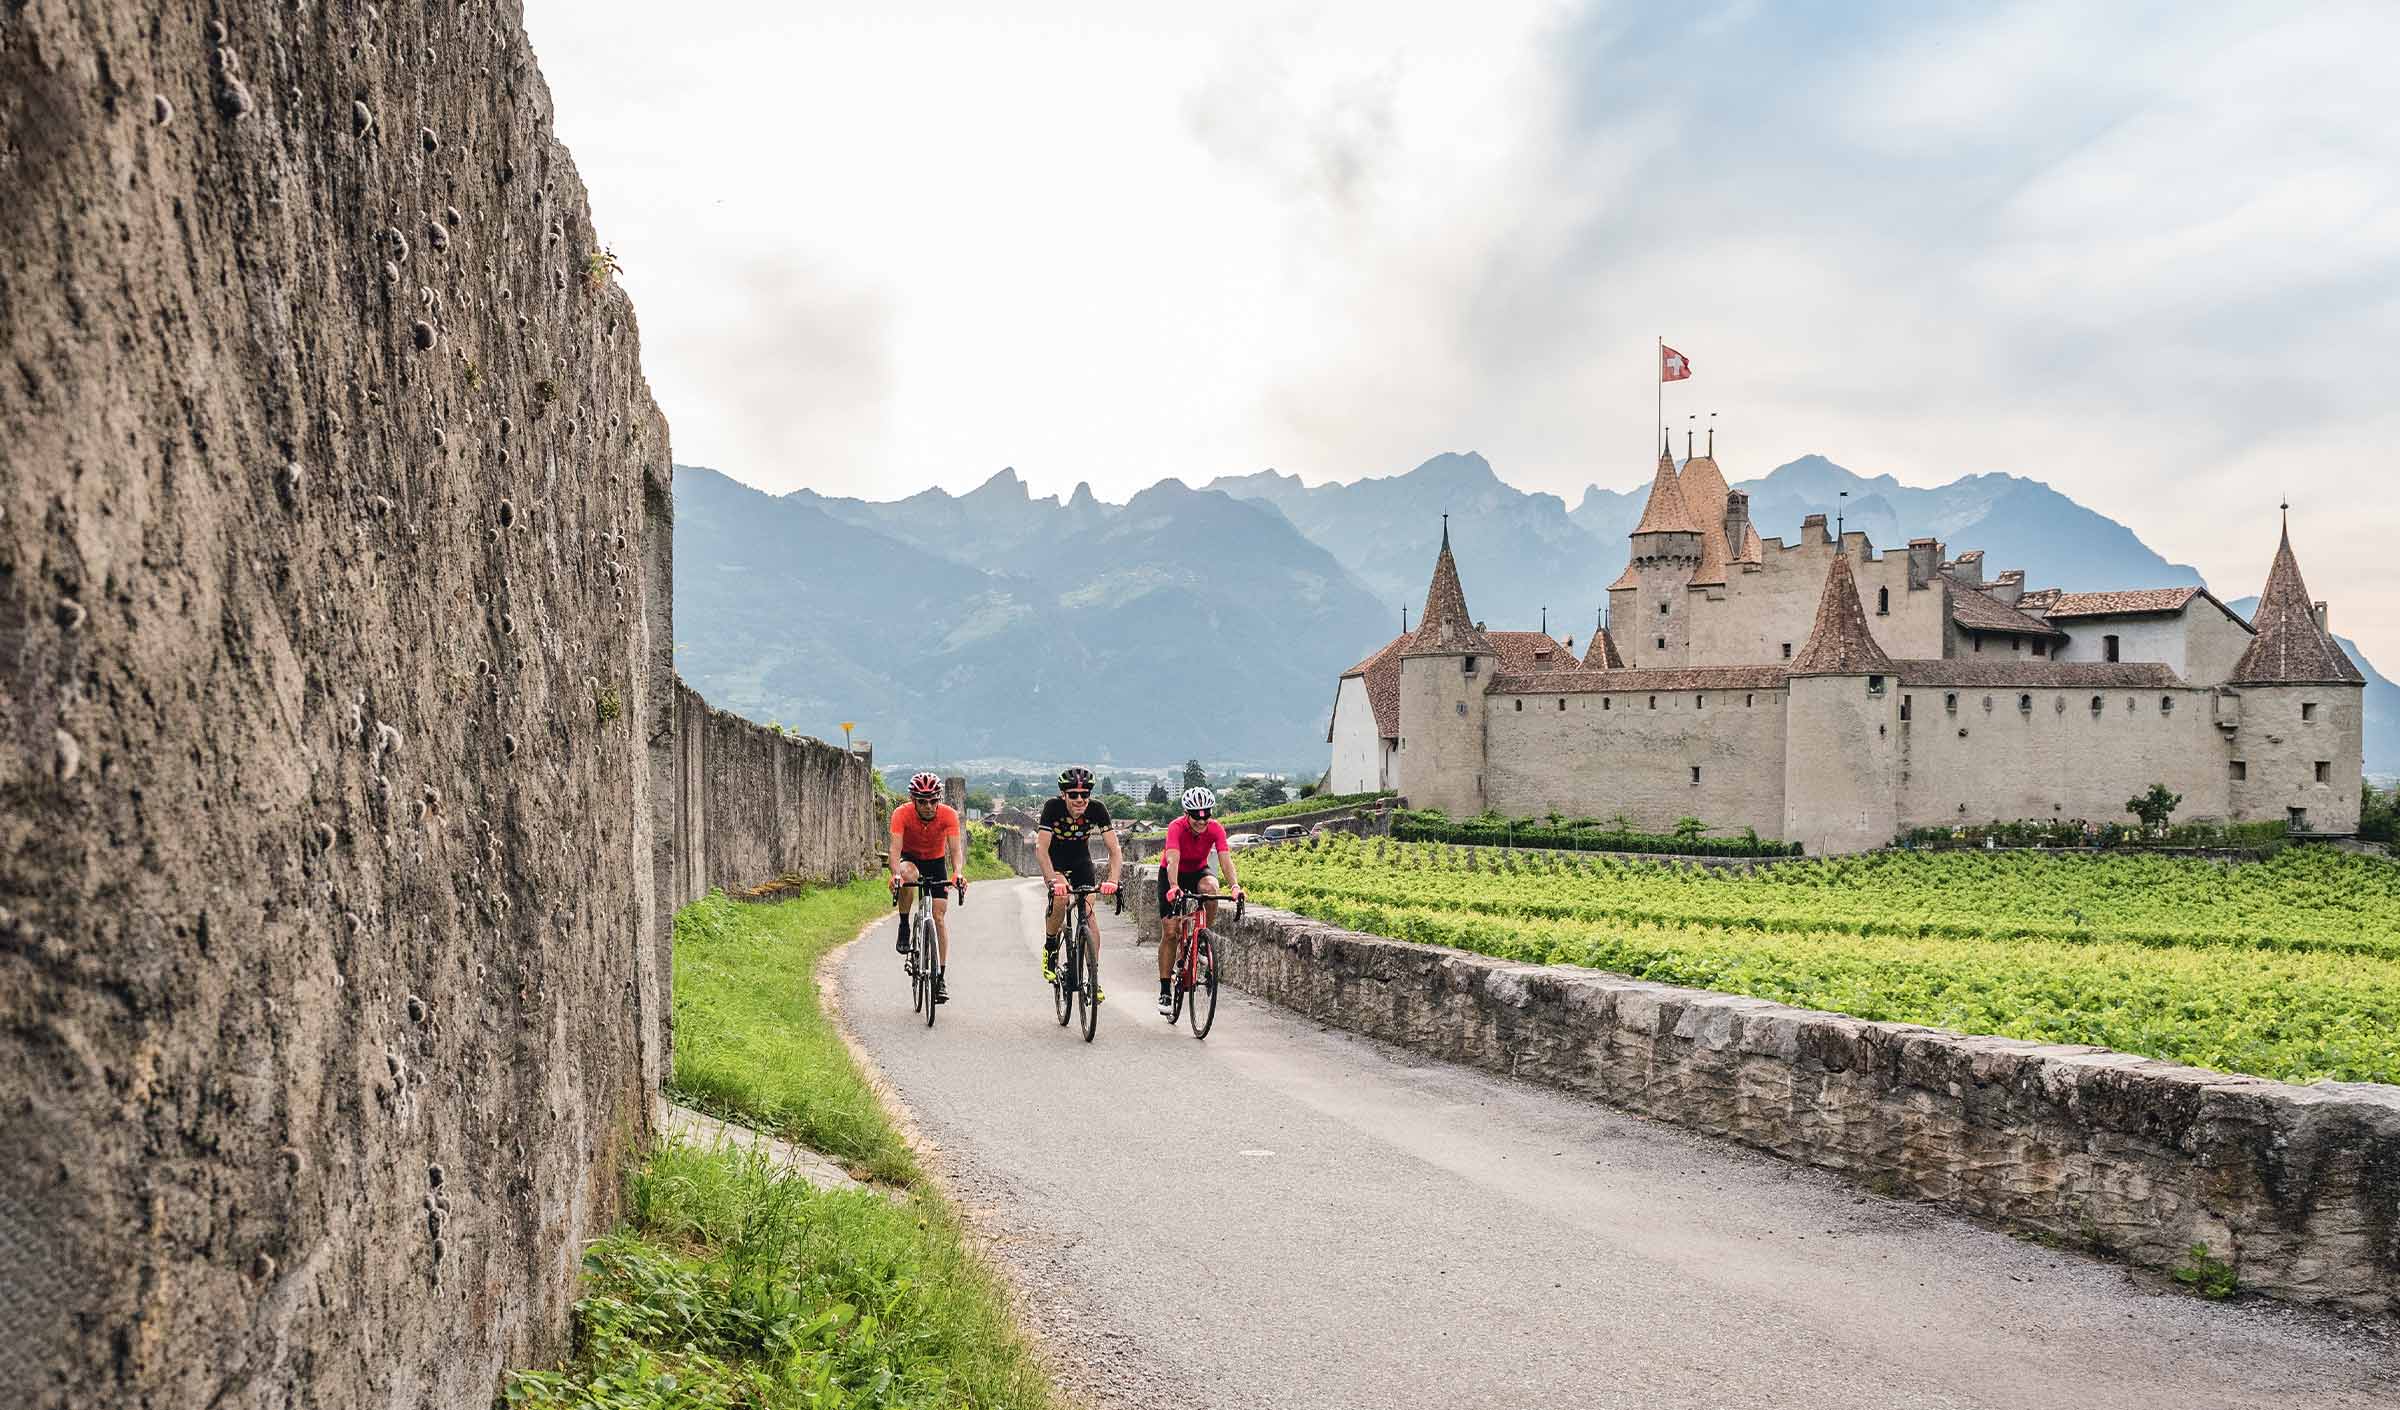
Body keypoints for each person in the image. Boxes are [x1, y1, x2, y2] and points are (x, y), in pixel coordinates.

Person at [1037, 766, 1122, 993]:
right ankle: (1051, 945)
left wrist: (1113, 880)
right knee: (1061, 901)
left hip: (1081, 862)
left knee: (1089, 914)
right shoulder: (1052, 808)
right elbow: (1041, 849)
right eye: (1073, 794)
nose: (1079, 799)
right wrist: (1052, 880)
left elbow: (1114, 849)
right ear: (1063, 794)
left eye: (1085, 795)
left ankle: (1093, 977)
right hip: (1056, 863)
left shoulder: (1097, 809)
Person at [1157, 786, 1239, 1015]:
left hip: (1198, 870)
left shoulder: (1215, 829)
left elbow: (1224, 860)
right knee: (1171, 932)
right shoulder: (1176, 827)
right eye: (1196, 816)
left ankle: (1202, 937)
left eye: (1206, 815)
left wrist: (1235, 886)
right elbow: (1172, 860)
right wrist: (1173, 887)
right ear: (1187, 813)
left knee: (1211, 888)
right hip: (1172, 873)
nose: (1201, 821)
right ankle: (1165, 989)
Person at [889, 771, 966, 1003]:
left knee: (939, 917)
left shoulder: (948, 815)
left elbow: (955, 850)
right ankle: (904, 924)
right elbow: (894, 850)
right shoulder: (901, 814)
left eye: (934, 800)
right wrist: (895, 875)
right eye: (922, 801)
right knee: (906, 874)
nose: (929, 806)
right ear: (913, 800)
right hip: (910, 857)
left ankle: (940, 977)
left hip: (935, 862)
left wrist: (958, 873)